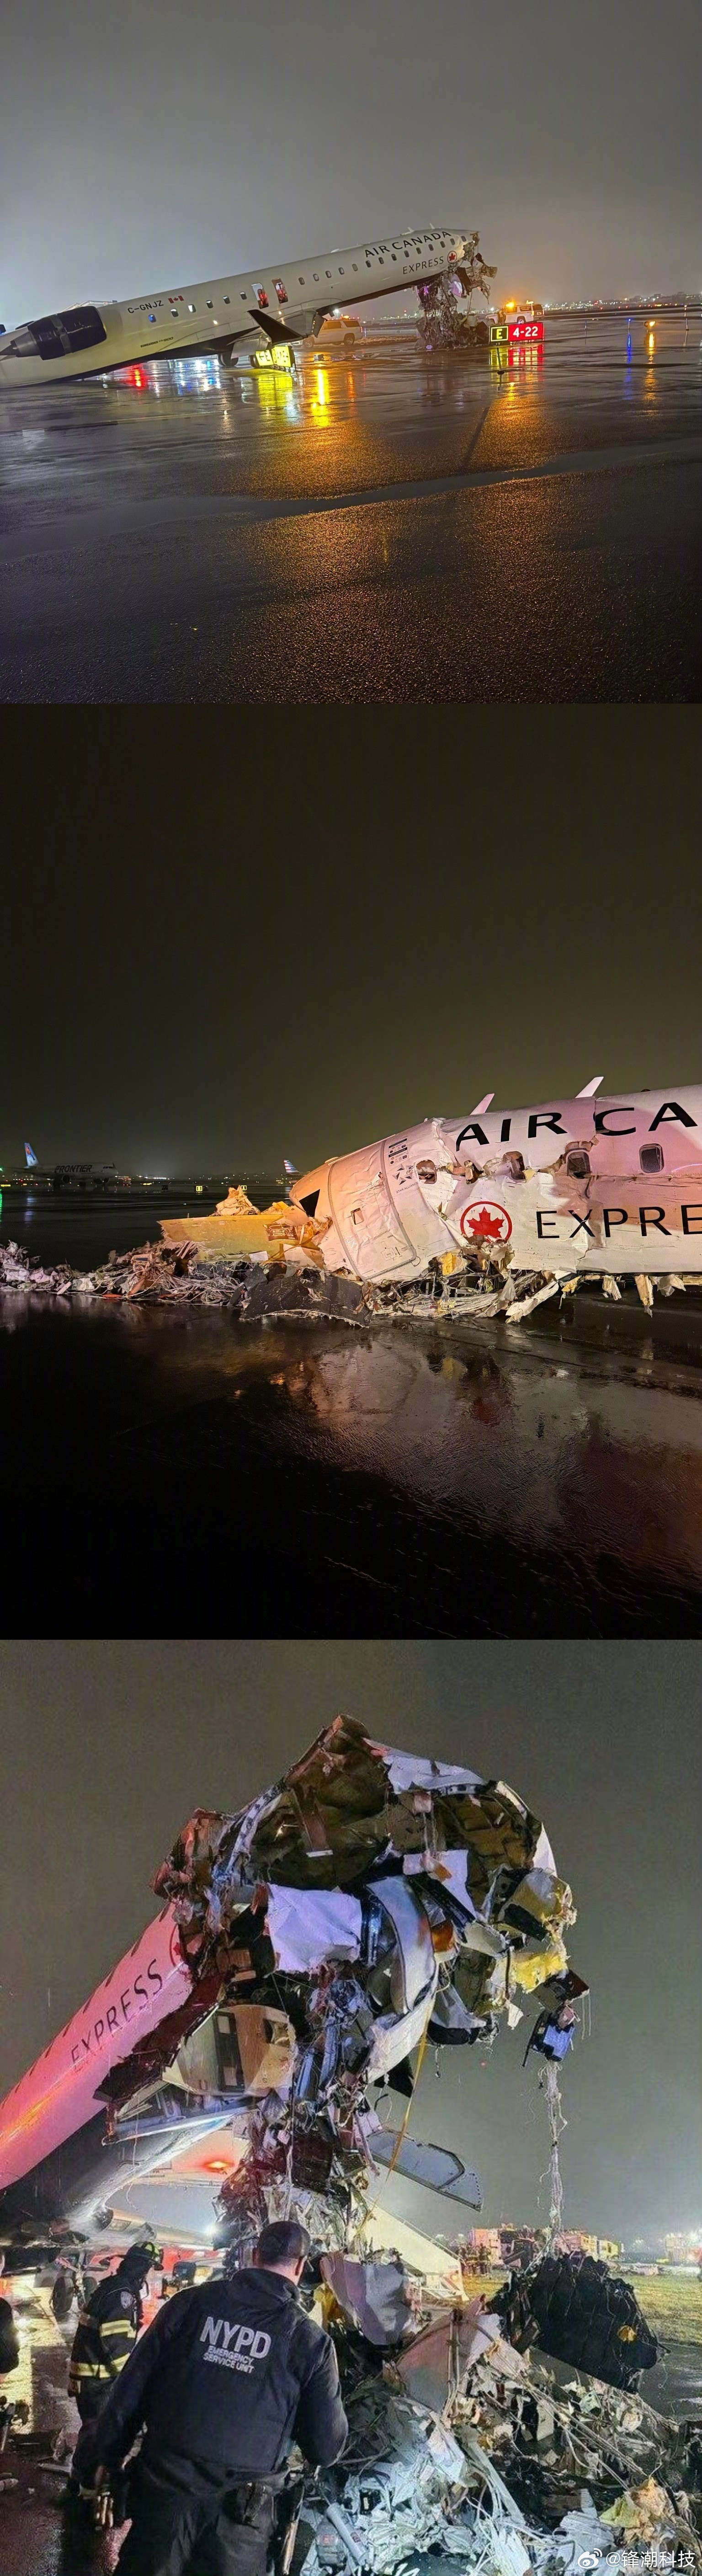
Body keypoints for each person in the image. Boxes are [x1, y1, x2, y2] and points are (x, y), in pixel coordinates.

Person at [78, 2217, 348, 2575]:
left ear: (254, 2254)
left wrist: (108, 2458)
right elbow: (326, 2449)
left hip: (163, 2500)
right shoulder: (310, 2341)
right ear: (300, 2266)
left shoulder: (189, 2304)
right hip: (240, 2526)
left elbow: (130, 2390)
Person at [68, 2240, 160, 2441]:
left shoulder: (115, 2288)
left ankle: (85, 2470)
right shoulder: (121, 2296)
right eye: (151, 2269)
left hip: (91, 2377)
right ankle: (87, 2472)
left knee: (94, 2433)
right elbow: (115, 2344)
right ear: (143, 2269)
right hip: (98, 2381)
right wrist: (131, 2379)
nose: (151, 2275)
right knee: (99, 2436)